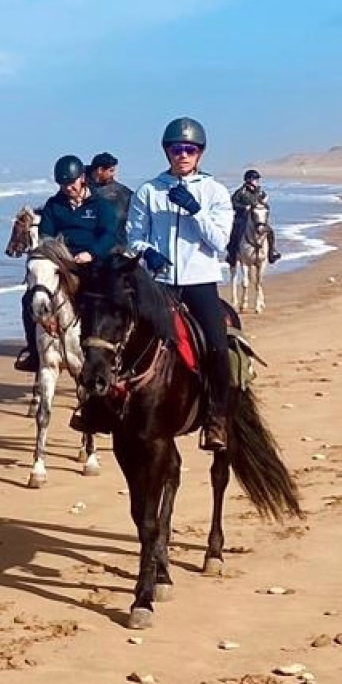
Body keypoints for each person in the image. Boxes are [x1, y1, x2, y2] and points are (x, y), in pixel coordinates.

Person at [123, 117, 235, 447]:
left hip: (200, 281)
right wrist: (147, 254)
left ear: (200, 153)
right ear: (166, 152)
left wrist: (196, 212)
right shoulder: (148, 191)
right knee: (122, 338)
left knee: (216, 345)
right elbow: (134, 237)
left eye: (190, 149)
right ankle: (102, 406)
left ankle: (216, 418)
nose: (183, 155)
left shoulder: (215, 192)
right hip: (159, 283)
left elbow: (220, 242)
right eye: (176, 149)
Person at [16, 155, 115, 368]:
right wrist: (60, 257)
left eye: (71, 184)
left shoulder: (101, 205)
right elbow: (46, 237)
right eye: (63, 185)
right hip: (62, 263)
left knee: (107, 297)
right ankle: (34, 353)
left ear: (82, 178)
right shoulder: (54, 205)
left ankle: (110, 350)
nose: (67, 188)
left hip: (92, 262)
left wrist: (92, 253)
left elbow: (108, 234)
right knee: (28, 300)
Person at [227, 167, 279, 267]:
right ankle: (232, 255)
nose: (257, 182)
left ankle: (271, 252)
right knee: (234, 233)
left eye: (257, 180)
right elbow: (233, 203)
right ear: (248, 180)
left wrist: (264, 205)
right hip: (242, 218)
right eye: (255, 179)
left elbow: (266, 206)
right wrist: (244, 207)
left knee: (270, 231)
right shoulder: (240, 192)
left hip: (257, 219)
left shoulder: (260, 192)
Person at [87, 152, 132, 249]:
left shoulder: (123, 194)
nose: (114, 174)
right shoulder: (79, 189)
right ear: (100, 170)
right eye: (111, 171)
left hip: (117, 248)